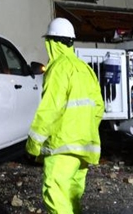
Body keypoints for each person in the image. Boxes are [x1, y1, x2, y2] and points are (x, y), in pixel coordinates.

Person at [26, 18, 105, 214]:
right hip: (85, 148)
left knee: (55, 193)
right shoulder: (85, 69)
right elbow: (99, 108)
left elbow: (50, 109)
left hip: (63, 147)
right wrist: (85, 131)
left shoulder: (58, 68)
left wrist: (33, 144)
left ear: (51, 42)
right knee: (72, 197)